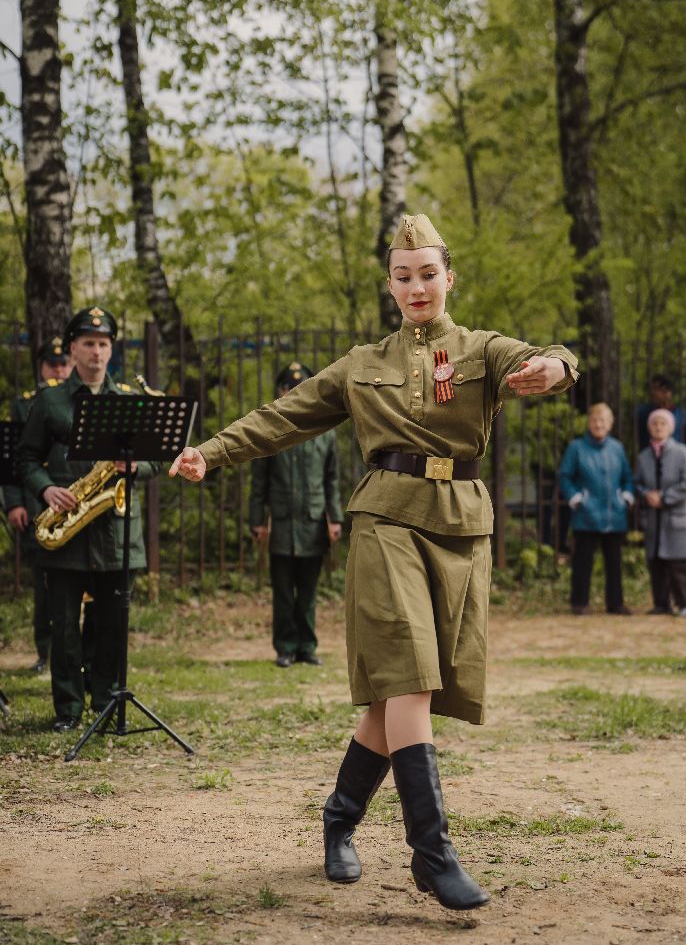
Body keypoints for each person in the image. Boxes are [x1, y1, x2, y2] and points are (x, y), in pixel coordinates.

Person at [170, 213, 578, 910]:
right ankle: (432, 852)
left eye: (428, 274)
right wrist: (211, 452)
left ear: (448, 278)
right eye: (403, 276)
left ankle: (339, 818)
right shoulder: (362, 364)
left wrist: (555, 368)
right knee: (409, 679)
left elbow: (552, 356)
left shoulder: (481, 350)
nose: (417, 287)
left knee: (397, 699)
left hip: (460, 528)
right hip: (386, 519)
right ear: (389, 285)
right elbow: (285, 415)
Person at [17, 307, 161, 732]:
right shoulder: (50, 401)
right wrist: (46, 489)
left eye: (103, 344)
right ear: (73, 348)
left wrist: (136, 467)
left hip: (116, 530)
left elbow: (156, 458)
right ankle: (68, 708)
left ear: (111, 350)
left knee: (111, 622)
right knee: (64, 624)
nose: (96, 352)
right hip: (67, 526)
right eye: (88, 344)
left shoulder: (129, 401)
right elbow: (26, 459)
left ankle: (104, 702)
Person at [250, 362, 344, 668]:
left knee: (308, 590)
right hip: (280, 523)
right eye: (288, 388)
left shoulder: (324, 432)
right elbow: (259, 482)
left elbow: (331, 479)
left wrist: (335, 518)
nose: (293, 393)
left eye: (300, 387)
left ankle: (307, 646)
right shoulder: (269, 431)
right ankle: (285, 647)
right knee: (282, 591)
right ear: (280, 392)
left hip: (312, 522)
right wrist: (257, 521)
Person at [3, 336, 73, 671]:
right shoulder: (25, 405)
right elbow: (15, 461)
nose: (58, 370)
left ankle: (76, 654)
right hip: (37, 503)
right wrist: (14, 503)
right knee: (45, 585)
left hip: (76, 500)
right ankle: (45, 651)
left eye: (63, 364)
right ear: (41, 367)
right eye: (52, 364)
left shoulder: (81, 399)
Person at [559, 402, 635, 616]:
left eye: (602, 420)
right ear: (588, 423)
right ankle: (579, 602)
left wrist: (626, 497)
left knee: (614, 563)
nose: (598, 424)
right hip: (586, 513)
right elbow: (564, 476)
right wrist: (576, 498)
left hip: (614, 514)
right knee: (582, 562)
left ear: (610, 424)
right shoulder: (576, 447)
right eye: (594, 420)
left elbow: (627, 477)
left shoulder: (617, 448)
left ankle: (616, 603)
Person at [635, 408, 686, 617]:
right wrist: (646, 494)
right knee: (657, 562)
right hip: (654, 518)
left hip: (676, 516)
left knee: (679, 564)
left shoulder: (682, 453)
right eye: (654, 423)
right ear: (649, 428)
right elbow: (637, 483)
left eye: (663, 423)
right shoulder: (644, 456)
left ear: (670, 428)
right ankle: (661, 603)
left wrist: (665, 497)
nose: (658, 427)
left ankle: (685, 604)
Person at [637, 374, 686, 459]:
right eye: (652, 389)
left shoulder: (682, 414)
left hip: (677, 459)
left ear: (668, 392)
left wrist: (685, 456)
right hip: (652, 459)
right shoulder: (644, 413)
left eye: (657, 389)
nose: (653, 393)